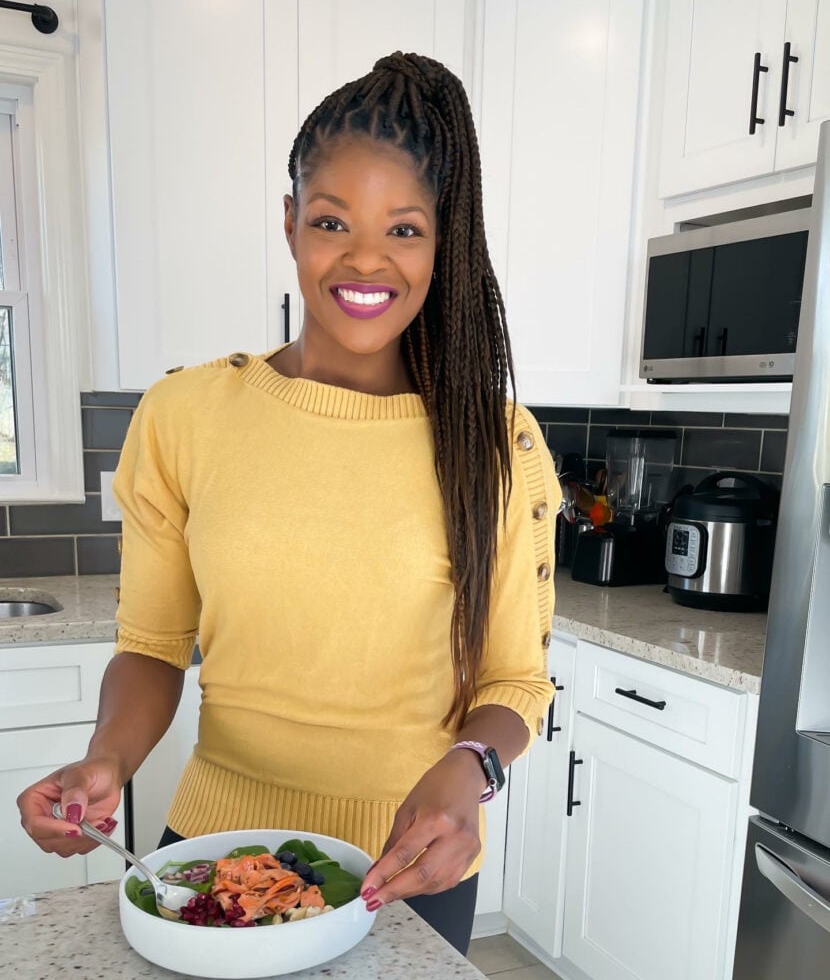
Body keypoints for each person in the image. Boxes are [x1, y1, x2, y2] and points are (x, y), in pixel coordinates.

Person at [17, 52, 559, 956]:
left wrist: (471, 770)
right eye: (331, 220)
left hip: (407, 864)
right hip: (208, 848)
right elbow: (152, 646)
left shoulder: (496, 445)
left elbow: (513, 683)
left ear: (444, 243)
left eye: (406, 230)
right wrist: (107, 757)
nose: (365, 261)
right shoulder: (184, 416)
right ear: (289, 222)